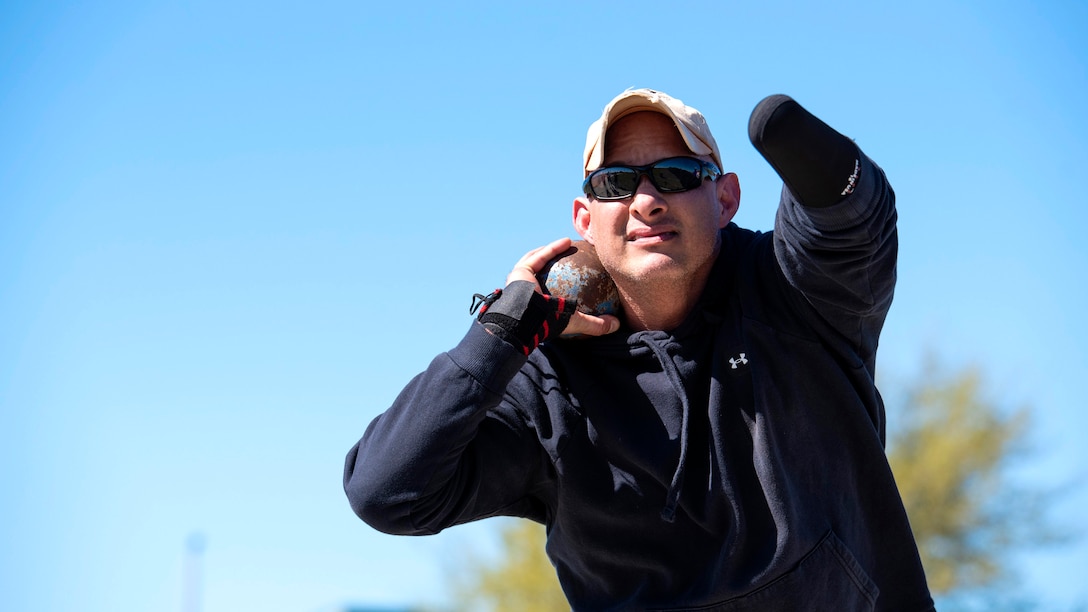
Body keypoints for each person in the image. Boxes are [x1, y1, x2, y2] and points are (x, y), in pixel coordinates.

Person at [343, 88, 934, 611]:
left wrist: (782, 132)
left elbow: (852, 221)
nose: (645, 201)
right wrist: (504, 329)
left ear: (725, 199)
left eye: (675, 175)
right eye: (616, 184)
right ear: (584, 220)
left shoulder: (792, 293)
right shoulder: (546, 379)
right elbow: (388, 492)